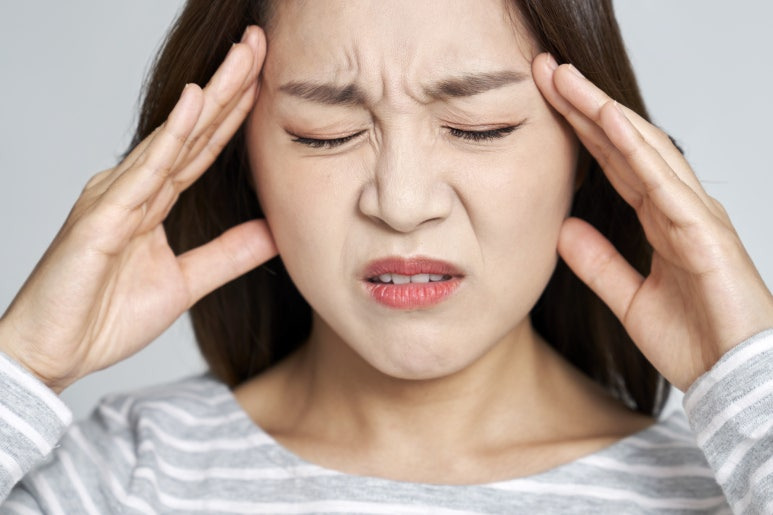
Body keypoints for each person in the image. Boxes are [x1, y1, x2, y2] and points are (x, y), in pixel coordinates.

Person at [1, 0, 771, 513]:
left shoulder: (724, 492)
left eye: (477, 126)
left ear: (590, 150)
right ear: (239, 154)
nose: (400, 203)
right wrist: (26, 360)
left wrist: (750, 378)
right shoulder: (123, 478)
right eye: (324, 134)